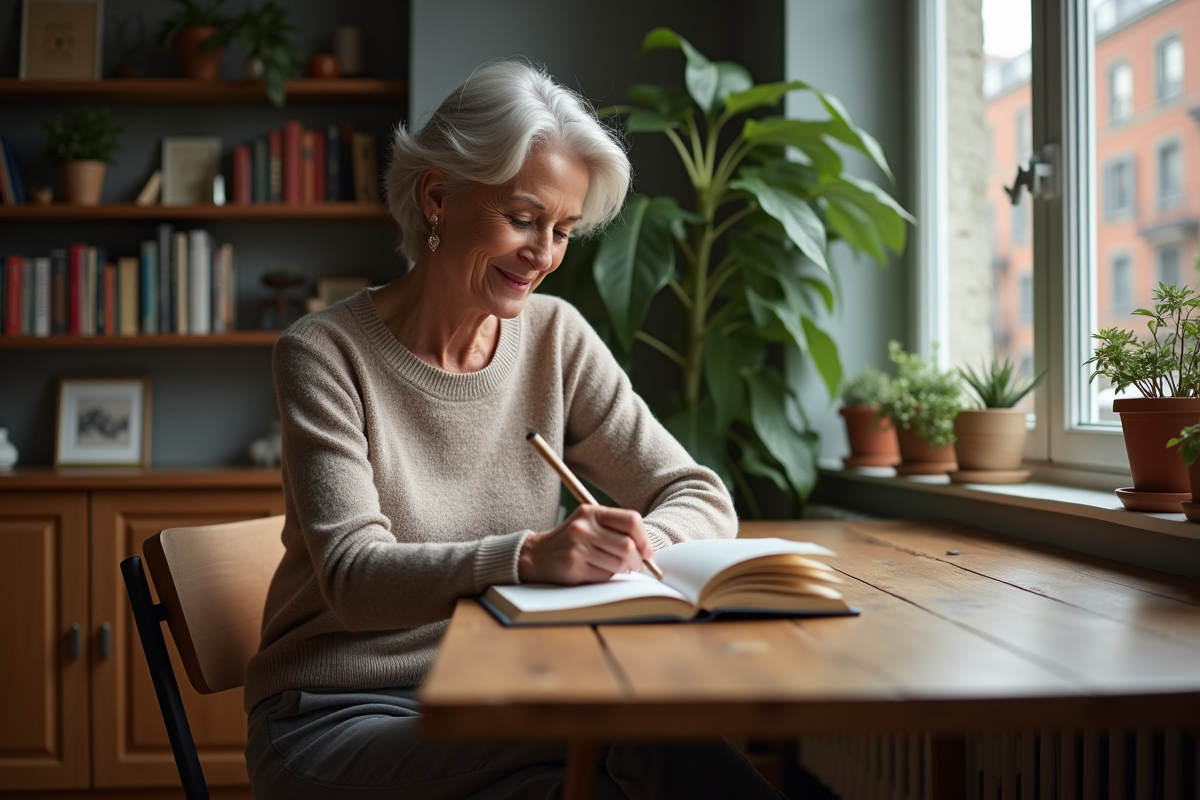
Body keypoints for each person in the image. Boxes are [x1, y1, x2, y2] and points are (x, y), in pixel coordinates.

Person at [243, 60, 783, 800]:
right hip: (339, 715)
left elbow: (697, 491)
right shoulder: (325, 353)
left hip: (500, 693)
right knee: (632, 738)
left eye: (562, 230)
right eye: (523, 219)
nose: (544, 255)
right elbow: (354, 580)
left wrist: (631, 550)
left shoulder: (555, 337)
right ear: (438, 196)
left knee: (611, 771)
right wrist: (529, 558)